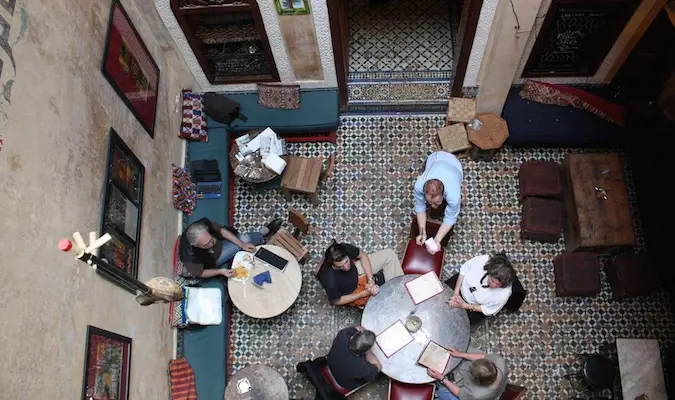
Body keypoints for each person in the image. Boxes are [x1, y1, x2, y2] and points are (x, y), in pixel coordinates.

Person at [178, 217, 282, 278]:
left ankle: (263, 234)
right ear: (195, 245)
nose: (211, 244)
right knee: (244, 242)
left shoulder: (204, 224)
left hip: (221, 243)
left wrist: (242, 245)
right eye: (206, 244)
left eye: (210, 239)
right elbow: (200, 273)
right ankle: (261, 238)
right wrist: (220, 272)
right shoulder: (189, 254)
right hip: (213, 259)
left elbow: (222, 231)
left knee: (244, 240)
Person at [318, 241, 404, 308]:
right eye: (341, 266)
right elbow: (336, 301)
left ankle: (400, 290)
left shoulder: (344, 248)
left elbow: (362, 255)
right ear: (333, 264)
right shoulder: (330, 281)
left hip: (356, 269)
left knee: (389, 255)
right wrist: (362, 294)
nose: (346, 267)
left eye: (346, 261)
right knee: (377, 302)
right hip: (352, 289)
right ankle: (395, 299)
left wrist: (371, 280)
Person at [413, 151, 463, 253]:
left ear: (443, 194)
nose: (432, 205)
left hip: (455, 165)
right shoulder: (419, 185)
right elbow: (420, 208)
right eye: (429, 202)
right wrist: (422, 233)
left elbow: (450, 218)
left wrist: (437, 240)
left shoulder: (453, 195)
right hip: (436, 158)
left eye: (436, 202)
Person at [446, 253, 515, 324]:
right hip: (459, 285)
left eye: (498, 285)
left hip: (472, 306)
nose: (494, 285)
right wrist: (456, 292)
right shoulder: (482, 260)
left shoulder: (503, 294)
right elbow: (464, 270)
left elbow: (487, 309)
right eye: (492, 281)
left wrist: (464, 306)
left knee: (455, 324)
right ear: (489, 271)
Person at [427, 349, 508, 400]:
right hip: (498, 387)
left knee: (442, 391)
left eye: (470, 371)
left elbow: (458, 392)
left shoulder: (475, 395)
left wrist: (441, 378)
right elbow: (484, 356)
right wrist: (460, 354)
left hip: (479, 396)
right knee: (468, 350)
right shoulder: (499, 361)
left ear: (476, 381)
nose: (468, 368)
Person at [327, 326, 381, 391]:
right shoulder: (362, 367)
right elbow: (378, 366)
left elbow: (358, 327)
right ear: (365, 352)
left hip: (330, 361)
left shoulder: (343, 334)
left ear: (352, 337)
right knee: (372, 376)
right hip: (343, 382)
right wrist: (369, 353)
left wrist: (363, 335)